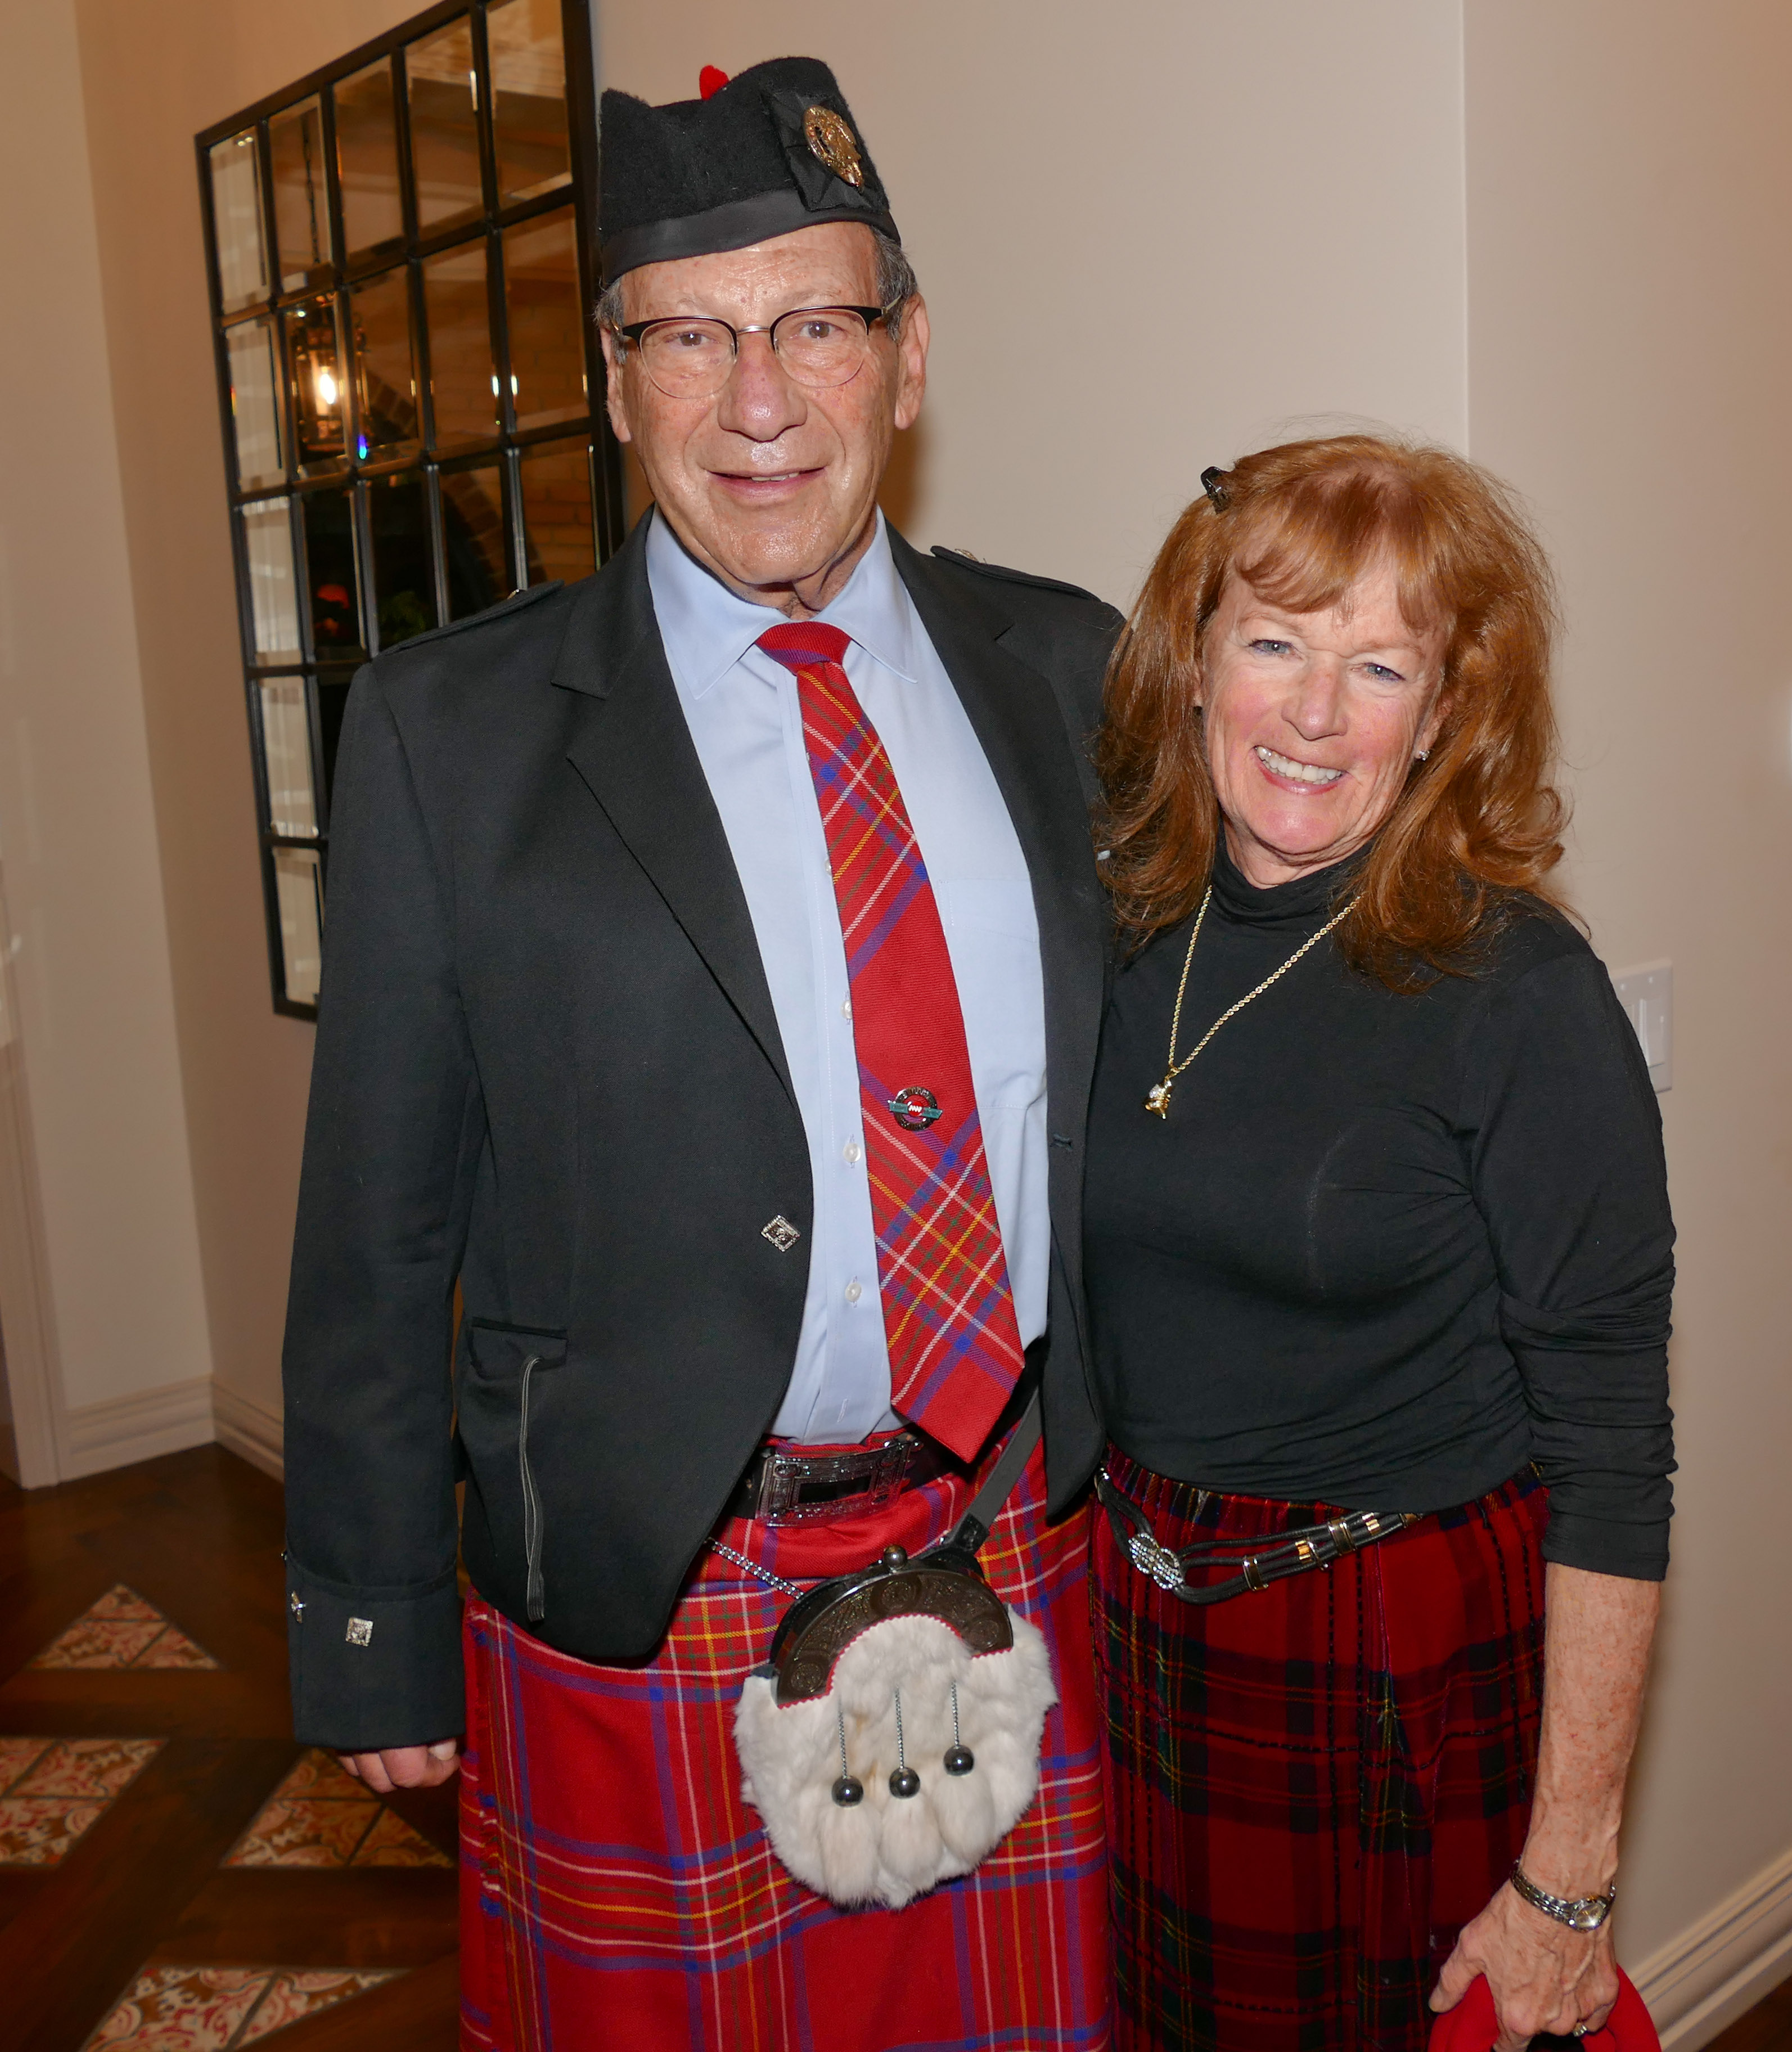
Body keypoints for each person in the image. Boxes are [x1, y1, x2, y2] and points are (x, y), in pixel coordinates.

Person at [279, 56, 1119, 2052]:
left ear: (906, 360)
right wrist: (371, 1622)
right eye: (691, 335)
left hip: (1021, 1536)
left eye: (816, 324)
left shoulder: (1078, 673)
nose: (760, 401)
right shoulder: (446, 736)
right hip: (655, 1584)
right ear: (616, 373)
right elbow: (377, 1233)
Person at [1082, 435, 1674, 2052]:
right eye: (1273, 641)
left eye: (1379, 665)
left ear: (1444, 713)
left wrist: (1566, 1878)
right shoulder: (1117, 927)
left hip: (1383, 1662)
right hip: (1134, 1623)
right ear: (1191, 663)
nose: (1316, 713)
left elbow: (1613, 1456)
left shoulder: (1518, 994)